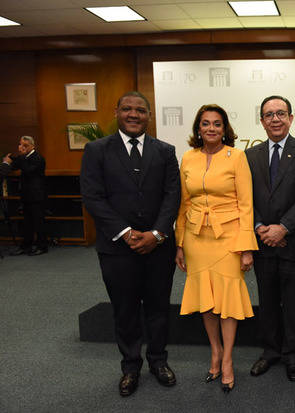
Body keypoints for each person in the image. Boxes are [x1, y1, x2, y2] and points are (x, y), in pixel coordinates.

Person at [80, 91, 180, 397]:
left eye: (140, 110)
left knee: (158, 308)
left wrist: (157, 234)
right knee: (124, 310)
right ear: (117, 112)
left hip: (158, 247)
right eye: (127, 109)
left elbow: (172, 195)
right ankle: (130, 366)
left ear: (149, 115)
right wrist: (125, 232)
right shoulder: (96, 150)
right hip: (116, 249)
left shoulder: (165, 150)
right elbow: (92, 197)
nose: (133, 114)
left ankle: (159, 361)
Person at [174, 104, 257, 393]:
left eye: (217, 124)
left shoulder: (237, 157)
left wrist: (246, 247)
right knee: (205, 299)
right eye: (206, 123)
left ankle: (228, 360)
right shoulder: (187, 157)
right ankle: (215, 351)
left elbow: (247, 204)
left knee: (228, 302)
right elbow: (183, 204)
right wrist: (180, 244)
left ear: (225, 129)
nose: (211, 128)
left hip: (229, 239)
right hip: (196, 239)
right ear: (198, 128)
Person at [245, 95, 295, 382]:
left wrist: (283, 227)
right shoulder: (250, 155)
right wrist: (260, 226)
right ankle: (270, 351)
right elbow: (244, 198)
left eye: (280, 113)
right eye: (269, 114)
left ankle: (294, 354)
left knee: (294, 302)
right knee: (267, 300)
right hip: (262, 241)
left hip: (294, 241)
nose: (275, 119)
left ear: (291, 117)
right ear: (261, 120)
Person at [3, 136, 48, 256]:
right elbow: (13, 166)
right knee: (27, 223)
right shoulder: (23, 158)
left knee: (39, 222)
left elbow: (28, 170)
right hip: (26, 195)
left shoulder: (37, 158)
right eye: (20, 144)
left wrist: (19, 158)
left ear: (32, 146)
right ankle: (26, 245)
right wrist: (9, 160)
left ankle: (42, 246)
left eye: (25, 145)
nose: (21, 147)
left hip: (36, 196)